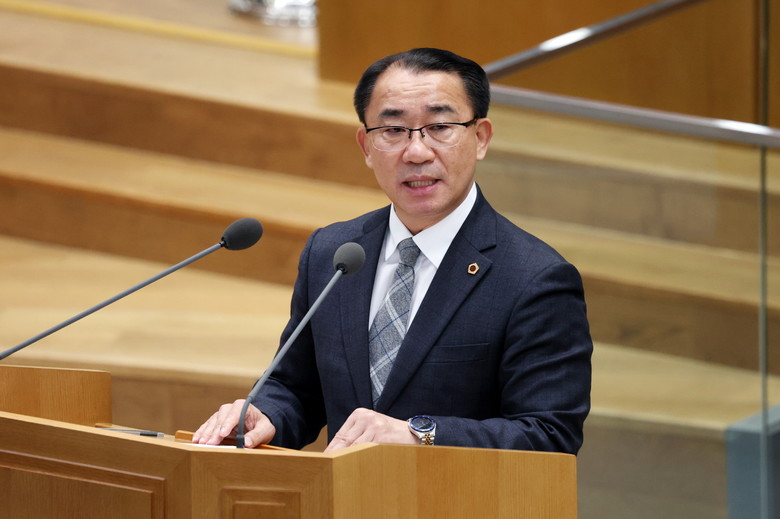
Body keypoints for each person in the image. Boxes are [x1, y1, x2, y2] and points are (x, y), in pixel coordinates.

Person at [193, 47, 592, 453]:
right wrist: (267, 414)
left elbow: (550, 434)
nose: (416, 152)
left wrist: (419, 434)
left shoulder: (534, 278)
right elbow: (297, 387)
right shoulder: (334, 253)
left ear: (480, 138)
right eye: (393, 130)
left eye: (440, 126)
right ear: (366, 146)